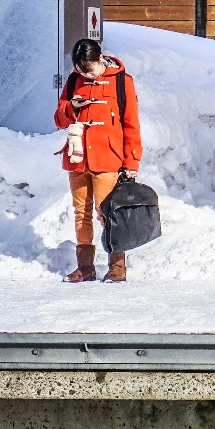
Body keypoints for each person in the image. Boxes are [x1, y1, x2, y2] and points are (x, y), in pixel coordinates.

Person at [54, 37, 142, 284]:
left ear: (99, 60)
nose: (86, 74)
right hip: (78, 157)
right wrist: (72, 107)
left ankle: (116, 266)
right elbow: (59, 119)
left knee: (109, 214)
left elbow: (131, 125)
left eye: (88, 69)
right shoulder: (74, 81)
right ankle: (85, 267)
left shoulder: (122, 82)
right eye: (81, 70)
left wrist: (131, 162)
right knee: (81, 213)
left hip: (108, 158)